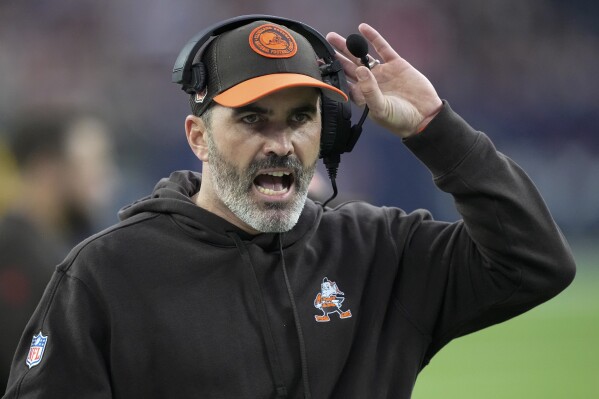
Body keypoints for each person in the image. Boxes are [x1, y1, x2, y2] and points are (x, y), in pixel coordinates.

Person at [3, 16, 575, 399]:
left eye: (301, 118)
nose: (281, 142)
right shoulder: (107, 273)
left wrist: (434, 129)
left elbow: (535, 262)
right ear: (198, 137)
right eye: (253, 119)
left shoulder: (378, 252)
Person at [0, 112, 117, 391]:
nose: (106, 177)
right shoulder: (15, 254)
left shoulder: (62, 248)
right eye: (92, 162)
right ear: (47, 169)